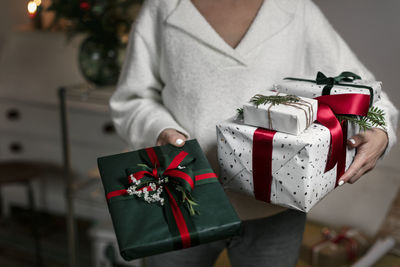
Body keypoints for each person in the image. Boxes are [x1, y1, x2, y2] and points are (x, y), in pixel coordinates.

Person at [110, 0, 398, 266]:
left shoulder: (294, 7)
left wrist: (380, 132)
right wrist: (159, 130)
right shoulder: (163, 7)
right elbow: (132, 99)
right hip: (182, 202)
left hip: (276, 214)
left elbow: (364, 90)